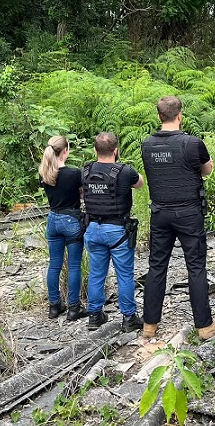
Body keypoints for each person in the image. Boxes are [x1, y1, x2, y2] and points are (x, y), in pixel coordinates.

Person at [140, 96, 215, 341]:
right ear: (180, 116)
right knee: (196, 267)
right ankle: (204, 325)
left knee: (157, 267)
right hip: (188, 212)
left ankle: (150, 324)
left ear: (159, 116)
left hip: (160, 213)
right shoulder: (192, 143)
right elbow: (207, 170)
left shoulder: (147, 145)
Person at [83, 132, 144, 331]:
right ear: (116, 151)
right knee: (124, 275)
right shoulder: (125, 171)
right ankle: (128, 318)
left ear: (95, 150)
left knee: (96, 274)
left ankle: (94, 315)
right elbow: (140, 183)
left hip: (92, 228)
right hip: (117, 229)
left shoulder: (85, 171)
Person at [39, 136, 86, 321]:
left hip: (53, 219)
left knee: (54, 264)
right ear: (65, 151)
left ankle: (54, 305)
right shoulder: (74, 173)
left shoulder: (44, 174)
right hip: (71, 219)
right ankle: (74, 308)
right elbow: (83, 193)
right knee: (74, 265)